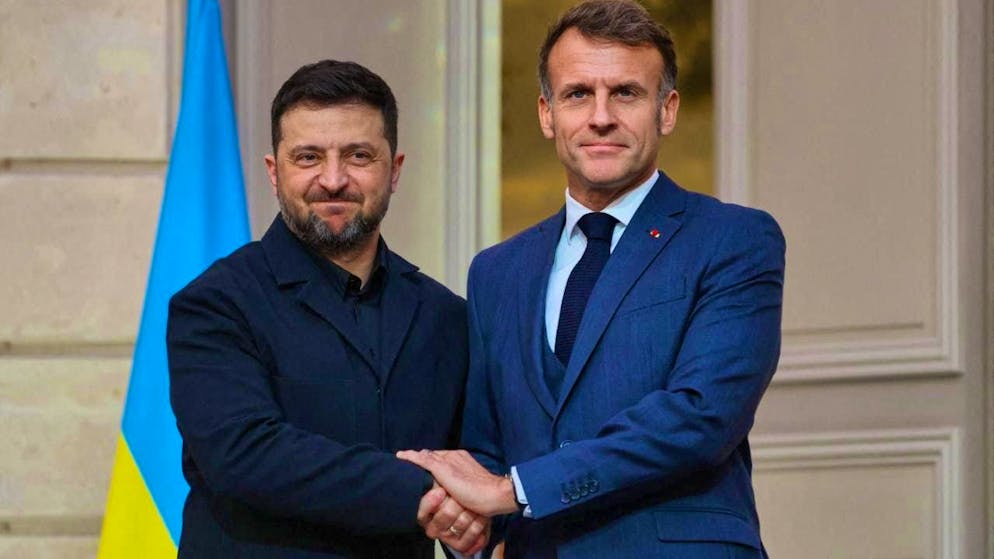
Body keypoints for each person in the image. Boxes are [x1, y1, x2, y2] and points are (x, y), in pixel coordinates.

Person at [398, 1, 785, 557]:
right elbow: (487, 447)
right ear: (547, 113)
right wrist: (471, 526)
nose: (601, 116)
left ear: (667, 110)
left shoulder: (734, 239)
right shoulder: (496, 272)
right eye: (578, 93)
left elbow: (702, 415)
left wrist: (513, 491)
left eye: (625, 92)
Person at [168, 59, 486, 558]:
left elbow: (477, 461)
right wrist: (425, 491)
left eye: (358, 155)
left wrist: (480, 518)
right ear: (274, 172)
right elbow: (246, 455)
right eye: (308, 157)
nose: (333, 179)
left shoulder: (446, 317)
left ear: (394, 169)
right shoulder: (215, 304)